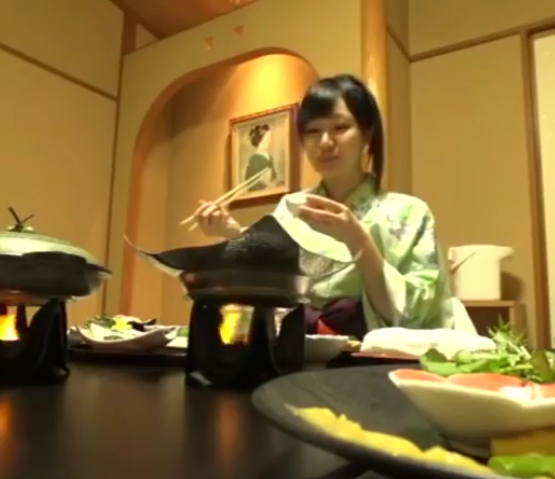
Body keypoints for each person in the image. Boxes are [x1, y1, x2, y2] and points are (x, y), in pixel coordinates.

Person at [191, 74, 453, 336]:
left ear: (367, 134)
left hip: (370, 355)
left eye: (340, 127)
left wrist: (358, 239)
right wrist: (232, 233)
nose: (325, 142)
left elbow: (416, 315)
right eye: (313, 131)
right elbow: (269, 280)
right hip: (295, 349)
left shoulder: (409, 213)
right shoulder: (291, 208)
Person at [242, 124, 278, 192]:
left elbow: (274, 177)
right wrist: (267, 187)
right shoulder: (254, 160)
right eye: (268, 138)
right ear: (260, 140)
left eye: (270, 138)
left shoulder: (269, 157)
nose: (270, 141)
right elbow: (251, 183)